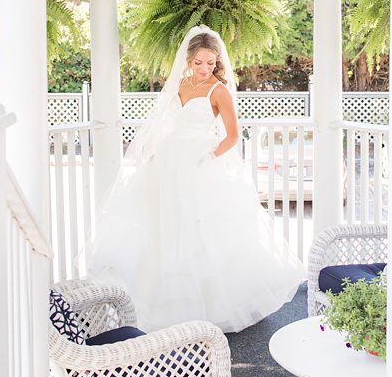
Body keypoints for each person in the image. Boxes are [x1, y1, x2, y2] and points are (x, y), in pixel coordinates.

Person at [89, 25, 303, 333]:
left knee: (201, 233)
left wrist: (209, 159)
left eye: (211, 63)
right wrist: (154, 154)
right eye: (199, 62)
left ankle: (211, 307)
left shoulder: (220, 91)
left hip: (201, 164)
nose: (205, 69)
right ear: (188, 60)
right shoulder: (180, 84)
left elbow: (231, 137)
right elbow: (168, 124)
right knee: (161, 229)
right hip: (169, 162)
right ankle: (162, 304)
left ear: (218, 62)